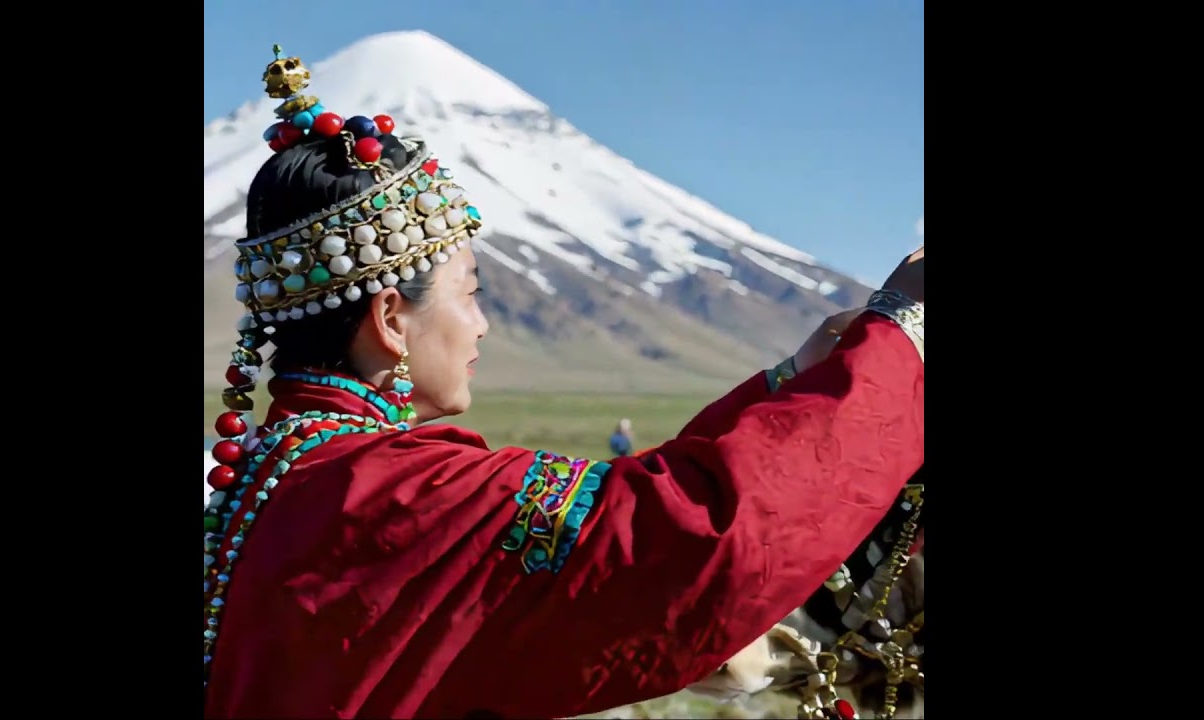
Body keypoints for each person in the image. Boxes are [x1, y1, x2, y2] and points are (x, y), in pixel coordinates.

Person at [203, 47, 925, 720]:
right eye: (471, 293)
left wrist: (791, 380)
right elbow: (682, 538)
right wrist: (901, 337)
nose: (482, 326)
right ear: (392, 318)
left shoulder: (273, 479)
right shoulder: (402, 497)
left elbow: (627, 504)